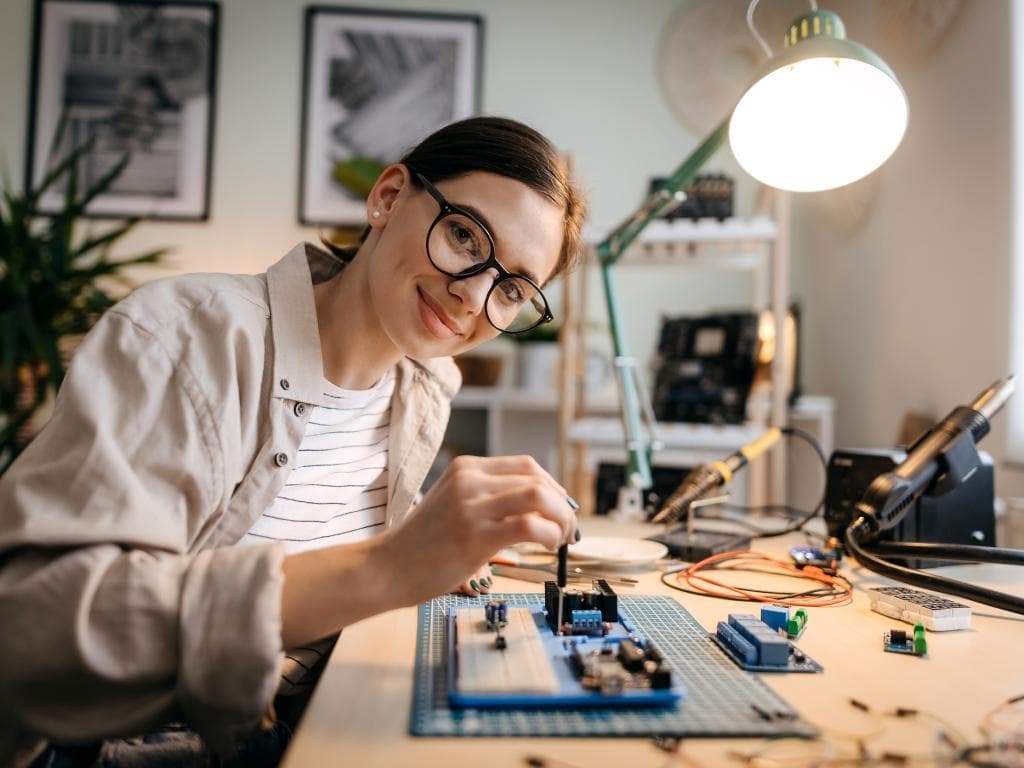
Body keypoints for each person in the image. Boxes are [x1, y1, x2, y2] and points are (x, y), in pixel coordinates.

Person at [0, 116, 587, 766]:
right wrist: (387, 567)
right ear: (388, 198)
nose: (472, 295)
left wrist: (441, 542)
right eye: (462, 234)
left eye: (511, 288)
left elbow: (321, 510)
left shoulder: (427, 384)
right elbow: (31, 632)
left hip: (320, 718)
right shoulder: (182, 337)